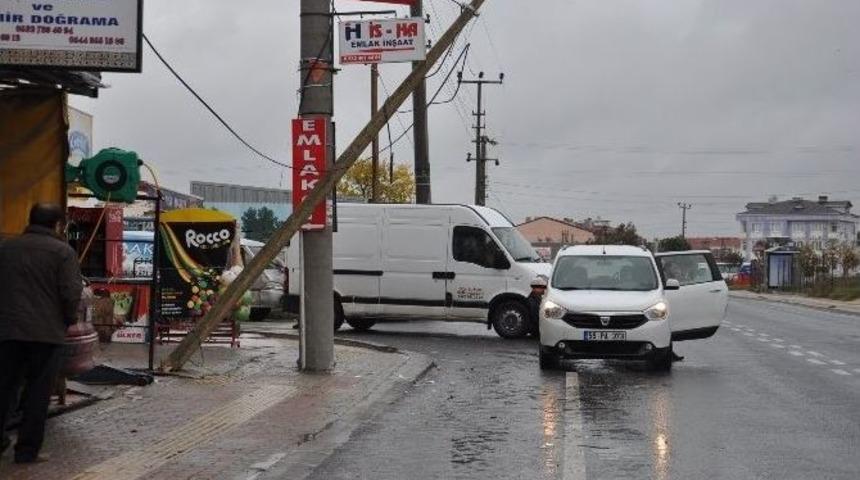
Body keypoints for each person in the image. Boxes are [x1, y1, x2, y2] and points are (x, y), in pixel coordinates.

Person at [0, 203, 83, 464]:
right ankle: (26, 452)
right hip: (47, 335)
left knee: (4, 389)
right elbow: (70, 294)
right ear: (58, 225)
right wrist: (68, 320)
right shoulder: (63, 252)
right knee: (37, 393)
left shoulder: (5, 248)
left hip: (8, 332)